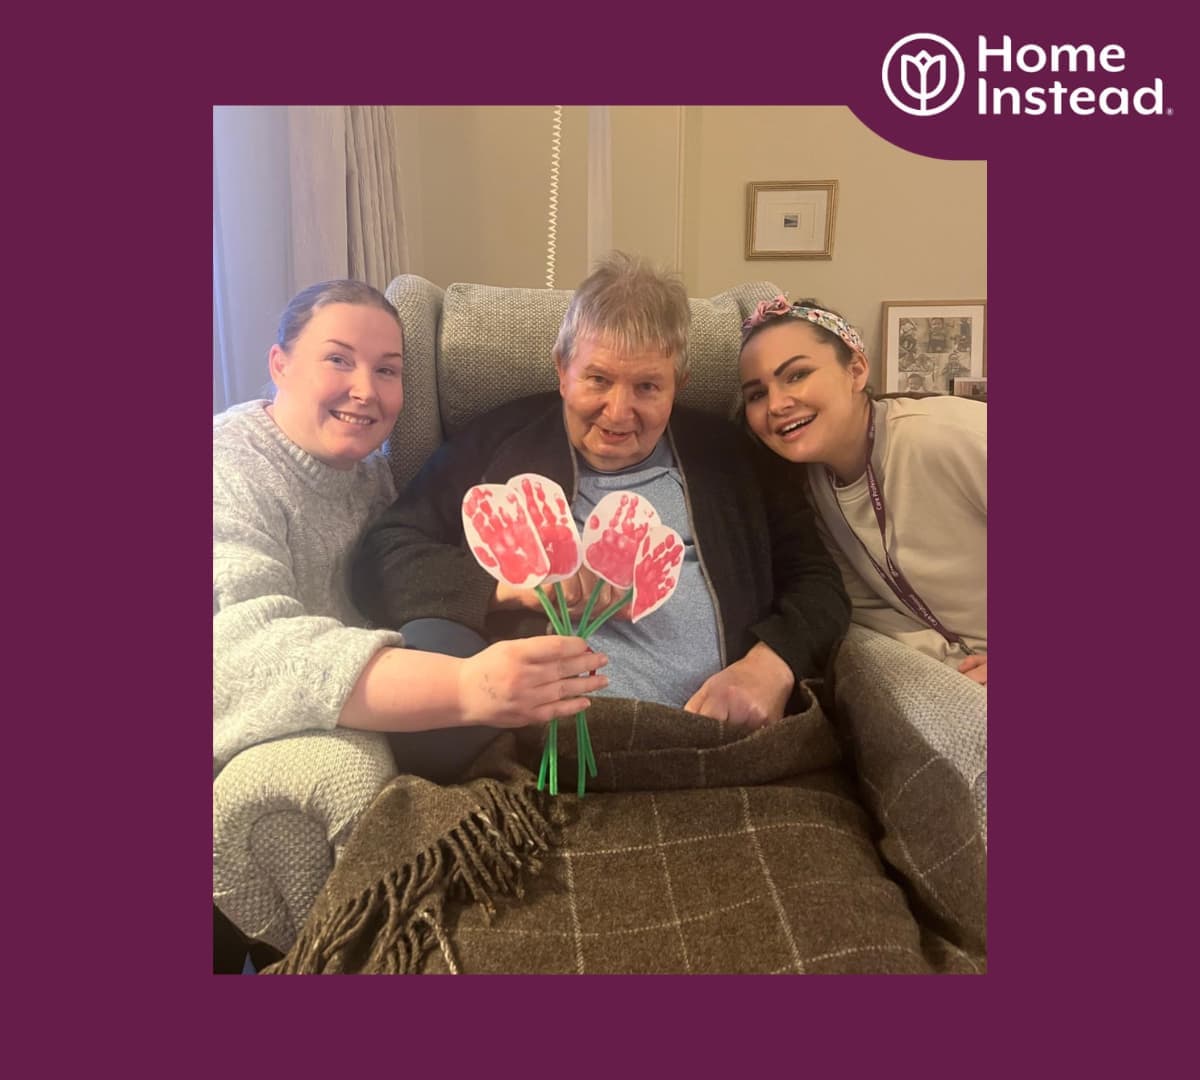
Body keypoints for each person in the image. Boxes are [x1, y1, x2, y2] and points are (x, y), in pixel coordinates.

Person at [351, 254, 850, 727]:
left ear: (678, 384)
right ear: (562, 370)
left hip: (725, 739)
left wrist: (771, 666)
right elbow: (382, 558)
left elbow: (818, 581)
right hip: (548, 749)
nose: (617, 412)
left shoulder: (733, 456)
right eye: (598, 379)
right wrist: (510, 588)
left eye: (647, 387)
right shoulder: (493, 444)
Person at [213, 280, 609, 775]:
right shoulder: (225, 467)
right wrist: (467, 687)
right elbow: (240, 652)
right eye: (337, 359)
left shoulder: (374, 474)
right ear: (280, 364)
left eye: (386, 370)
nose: (365, 391)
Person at [737, 296, 987, 685]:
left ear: (855, 370)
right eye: (756, 394)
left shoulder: (943, 435)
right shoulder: (810, 492)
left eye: (797, 375)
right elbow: (871, 610)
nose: (776, 404)